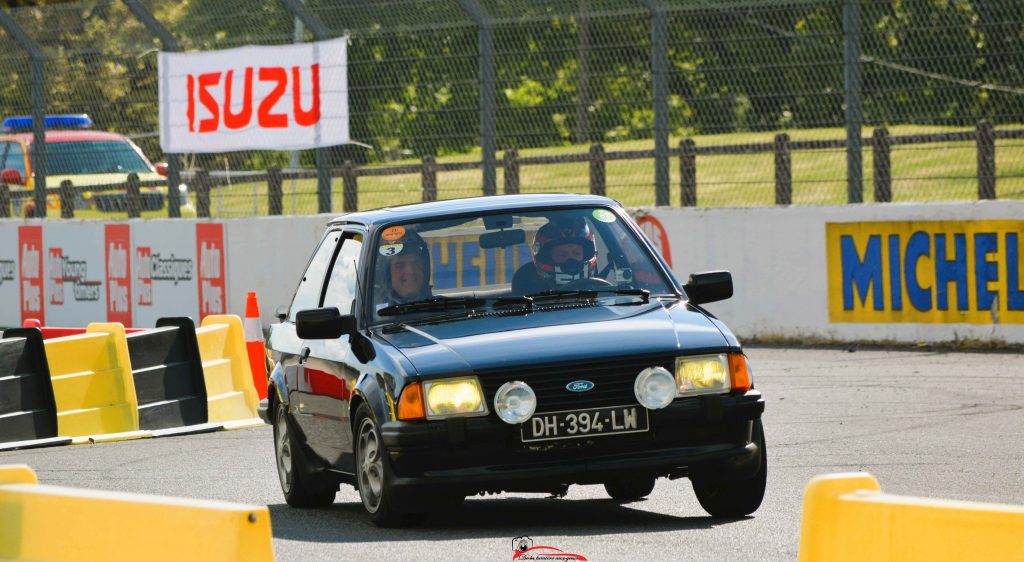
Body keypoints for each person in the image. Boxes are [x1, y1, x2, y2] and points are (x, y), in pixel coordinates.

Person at [511, 217, 598, 295]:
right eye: (563, 254)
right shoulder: (526, 284)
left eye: (577, 253)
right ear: (546, 257)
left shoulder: (600, 286)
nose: (571, 261)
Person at [377, 230, 432, 307]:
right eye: (400, 265)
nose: (410, 271)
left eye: (416, 263)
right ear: (387, 274)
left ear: (425, 269)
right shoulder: (375, 315)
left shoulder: (444, 309)